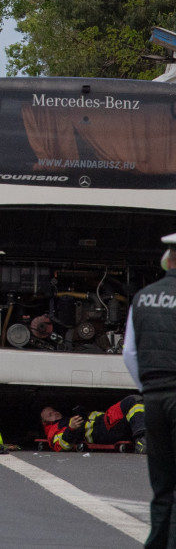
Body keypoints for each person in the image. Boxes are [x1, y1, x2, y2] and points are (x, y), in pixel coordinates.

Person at [123, 232, 176, 549]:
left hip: (154, 399)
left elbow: (130, 353)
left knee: (162, 483)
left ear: (168, 260)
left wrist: (150, 388)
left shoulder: (143, 297)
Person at [41, 396, 146, 452]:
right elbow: (60, 446)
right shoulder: (53, 430)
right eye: (50, 414)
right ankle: (142, 441)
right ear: (45, 422)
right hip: (101, 430)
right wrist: (71, 429)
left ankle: (147, 439)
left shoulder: (65, 419)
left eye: (54, 410)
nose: (55, 413)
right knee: (132, 401)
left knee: (138, 403)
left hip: (104, 424)